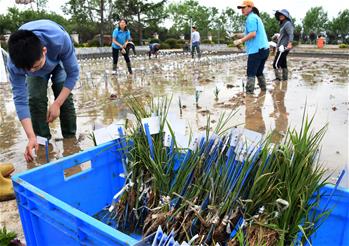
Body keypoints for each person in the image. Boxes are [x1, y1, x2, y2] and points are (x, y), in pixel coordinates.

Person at [7, 20, 79, 162]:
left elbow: (73, 74)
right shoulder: (15, 63)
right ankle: (41, 142)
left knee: (64, 95)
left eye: (35, 67)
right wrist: (30, 136)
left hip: (58, 60)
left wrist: (57, 104)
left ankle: (71, 141)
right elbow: (20, 100)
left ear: (44, 51)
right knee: (34, 99)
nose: (32, 72)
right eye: (27, 70)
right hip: (33, 59)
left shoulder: (60, 39)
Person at [234, 0, 269, 94]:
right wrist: (238, 35)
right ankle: (263, 90)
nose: (242, 10)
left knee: (251, 73)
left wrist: (240, 41)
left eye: (243, 8)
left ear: (250, 8)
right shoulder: (255, 17)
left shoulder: (251, 18)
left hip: (256, 50)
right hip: (264, 49)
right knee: (259, 72)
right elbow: (250, 33)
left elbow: (253, 34)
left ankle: (249, 95)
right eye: (241, 8)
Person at [273, 9, 294, 81]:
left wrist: (290, 43)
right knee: (283, 64)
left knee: (275, 64)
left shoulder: (287, 23)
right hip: (281, 46)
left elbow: (290, 34)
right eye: (280, 15)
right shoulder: (283, 24)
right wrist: (279, 36)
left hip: (283, 47)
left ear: (286, 16)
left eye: (283, 15)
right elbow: (285, 35)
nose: (281, 16)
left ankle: (278, 79)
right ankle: (285, 80)